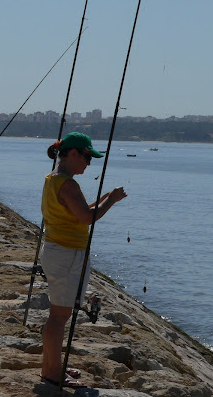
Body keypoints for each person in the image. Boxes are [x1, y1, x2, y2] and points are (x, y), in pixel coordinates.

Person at [39, 132, 127, 388]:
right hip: (67, 255)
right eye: (87, 157)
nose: (89, 163)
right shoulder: (68, 184)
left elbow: (78, 210)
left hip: (58, 250)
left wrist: (102, 198)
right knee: (58, 318)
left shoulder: (54, 180)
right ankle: (53, 373)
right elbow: (87, 218)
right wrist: (111, 200)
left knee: (56, 315)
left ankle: (51, 367)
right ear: (74, 154)